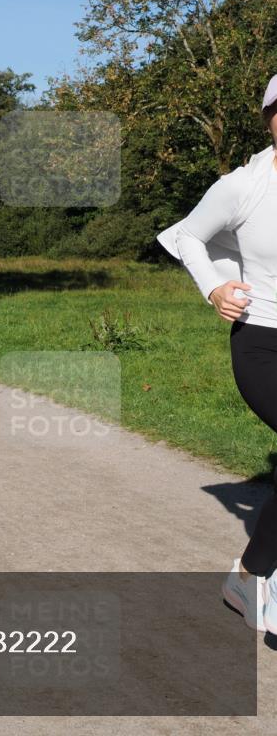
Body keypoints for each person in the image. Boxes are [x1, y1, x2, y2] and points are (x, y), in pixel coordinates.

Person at [158, 75, 277, 633]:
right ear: (269, 119)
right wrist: (213, 288)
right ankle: (250, 577)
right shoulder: (242, 187)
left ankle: (250, 576)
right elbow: (187, 236)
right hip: (263, 340)